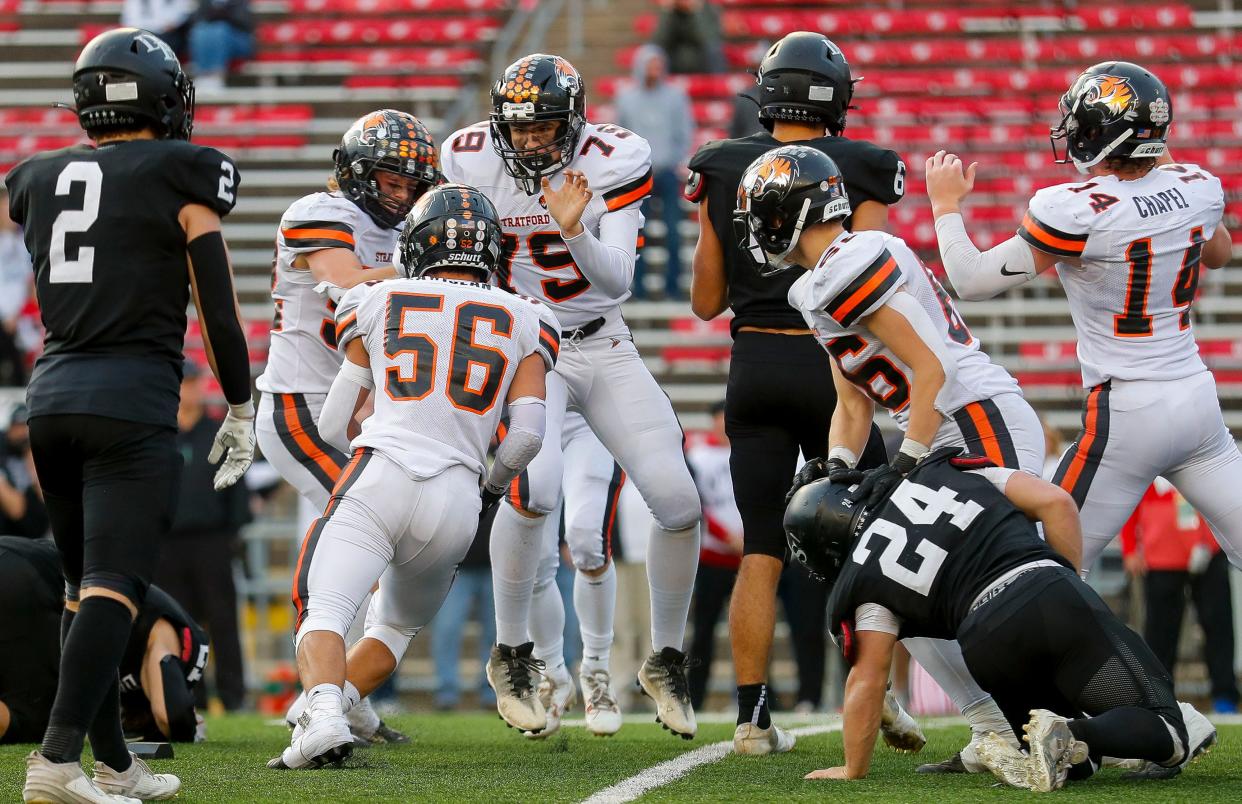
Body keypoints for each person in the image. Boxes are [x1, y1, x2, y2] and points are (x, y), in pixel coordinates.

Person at [6, 27, 255, 803]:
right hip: (131, 401)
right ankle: (53, 762)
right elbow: (217, 312)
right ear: (162, 99)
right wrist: (240, 403)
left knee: (83, 589)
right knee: (115, 587)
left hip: (51, 401)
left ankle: (114, 763)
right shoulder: (185, 171)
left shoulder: (35, 175)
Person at [741, 144, 1048, 769]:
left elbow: (930, 370)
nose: (755, 225)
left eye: (762, 211)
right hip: (936, 428)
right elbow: (852, 401)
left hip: (975, 419)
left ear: (790, 212)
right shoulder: (813, 287)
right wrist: (833, 466)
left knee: (1011, 584)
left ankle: (1087, 714)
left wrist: (907, 460)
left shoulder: (856, 258)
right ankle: (993, 729)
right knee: (896, 580)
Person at [442, 53, 703, 739]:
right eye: (519, 128)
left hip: (602, 336)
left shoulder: (616, 156)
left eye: (545, 127)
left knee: (678, 503)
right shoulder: (469, 157)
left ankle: (666, 660)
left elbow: (615, 282)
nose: (530, 141)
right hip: (529, 346)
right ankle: (514, 653)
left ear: (575, 120)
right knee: (539, 490)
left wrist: (573, 227)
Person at [269, 183, 559, 769]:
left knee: (323, 609)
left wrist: (370, 441)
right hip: (456, 500)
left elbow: (330, 424)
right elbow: (527, 435)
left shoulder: (380, 298)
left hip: (382, 473)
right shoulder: (528, 315)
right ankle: (334, 708)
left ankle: (322, 712)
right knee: (395, 627)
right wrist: (491, 487)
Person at [925, 60, 1242, 574]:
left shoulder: (1075, 209)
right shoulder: (1199, 186)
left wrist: (945, 205)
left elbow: (972, 280)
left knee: (1041, 567)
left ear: (1101, 136)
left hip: (1128, 411)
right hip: (1196, 402)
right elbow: (1219, 253)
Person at [685, 31, 903, 756]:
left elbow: (707, 300)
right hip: (830, 365)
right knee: (874, 538)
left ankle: (750, 717)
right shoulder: (864, 164)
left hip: (753, 368)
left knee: (760, 544)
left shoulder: (719, 165)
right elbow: (871, 279)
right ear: (835, 98)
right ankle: (882, 698)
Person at [785, 450, 1217, 791]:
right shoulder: (941, 470)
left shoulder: (863, 580)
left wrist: (852, 768)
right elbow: (1056, 502)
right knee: (1170, 727)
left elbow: (868, 677)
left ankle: (1057, 740)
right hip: (1044, 591)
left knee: (1079, 766)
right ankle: (1067, 729)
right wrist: (1068, 590)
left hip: (985, 644)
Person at [255, 109, 437, 747]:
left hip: (356, 408)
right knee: (360, 537)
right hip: (303, 405)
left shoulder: (405, 227)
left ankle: (342, 697)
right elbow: (349, 294)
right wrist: (427, 265)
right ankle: (325, 701)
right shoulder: (319, 211)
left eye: (414, 185)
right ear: (357, 173)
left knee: (369, 549)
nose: (404, 195)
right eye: (391, 180)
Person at [0, 538, 210, 747]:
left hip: (19, 560)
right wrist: (189, 729)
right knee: (37, 723)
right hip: (25, 580)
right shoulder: (164, 631)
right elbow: (170, 715)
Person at [152, 360, 250, 711]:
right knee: (180, 623)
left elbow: (238, 487)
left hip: (211, 541)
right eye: (183, 383)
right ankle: (190, 697)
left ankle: (234, 695)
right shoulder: (160, 436)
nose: (188, 391)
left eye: (193, 383)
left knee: (223, 619)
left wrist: (232, 533)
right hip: (168, 543)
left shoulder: (217, 433)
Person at [524, 411, 628, 738]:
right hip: (533, 411)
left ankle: (596, 672)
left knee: (587, 542)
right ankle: (553, 675)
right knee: (534, 559)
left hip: (588, 413)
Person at [1120, 479, 1240, 714]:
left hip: (1208, 554)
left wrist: (1206, 541)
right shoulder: (1150, 467)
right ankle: (1159, 696)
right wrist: (1130, 547)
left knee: (1218, 623)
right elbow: (1130, 502)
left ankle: (1224, 694)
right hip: (1162, 556)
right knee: (1160, 631)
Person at [616, 45, 693, 299]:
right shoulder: (626, 97)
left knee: (673, 231)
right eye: (651, 64)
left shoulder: (675, 96)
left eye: (658, 64)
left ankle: (673, 287)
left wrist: (673, 159)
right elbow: (621, 134)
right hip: (639, 175)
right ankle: (636, 288)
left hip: (667, 172)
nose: (655, 70)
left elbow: (684, 132)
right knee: (637, 233)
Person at [685, 400, 742, 710]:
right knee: (703, 631)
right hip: (712, 556)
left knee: (751, 629)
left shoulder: (749, 452)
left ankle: (751, 694)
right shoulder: (698, 455)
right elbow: (698, 504)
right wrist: (726, 536)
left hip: (746, 557)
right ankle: (696, 696)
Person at [429, 505, 497, 712]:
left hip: (495, 566)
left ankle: (492, 692)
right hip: (456, 568)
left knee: (495, 635)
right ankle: (446, 693)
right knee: (447, 629)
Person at [187, 0, 255, 92]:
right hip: (210, 35)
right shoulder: (206, 2)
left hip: (238, 41)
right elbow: (197, 19)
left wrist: (222, 15)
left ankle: (215, 75)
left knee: (220, 29)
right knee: (200, 30)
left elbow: (244, 23)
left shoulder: (240, 2)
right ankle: (203, 74)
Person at [0, 189, 31, 386]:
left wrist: (19, 313)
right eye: (4, 206)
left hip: (23, 319)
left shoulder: (26, 242)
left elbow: (31, 280)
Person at [651, 0, 725, 75]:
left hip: (702, 60)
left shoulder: (708, 8)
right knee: (651, 51)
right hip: (675, 59)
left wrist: (695, 11)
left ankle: (717, 84)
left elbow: (705, 39)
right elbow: (658, 41)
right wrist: (667, 11)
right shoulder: (671, 11)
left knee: (713, 49)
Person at [121, 0, 194, 57]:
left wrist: (172, 25)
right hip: (143, 34)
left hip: (169, 34)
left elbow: (183, 13)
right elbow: (130, 19)